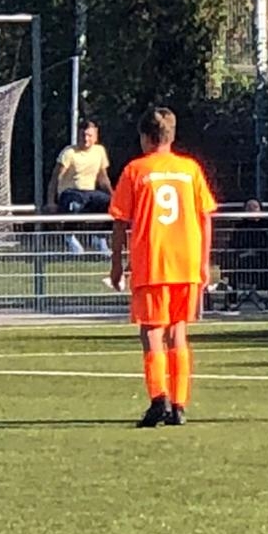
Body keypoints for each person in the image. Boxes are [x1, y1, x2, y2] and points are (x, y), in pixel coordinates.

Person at [107, 107, 217, 427]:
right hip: (186, 260)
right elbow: (205, 217)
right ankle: (179, 405)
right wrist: (204, 262)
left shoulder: (136, 170)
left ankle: (159, 399)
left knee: (152, 330)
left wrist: (117, 264)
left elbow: (119, 221)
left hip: (153, 260)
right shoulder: (190, 169)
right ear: (172, 135)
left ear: (145, 137)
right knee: (178, 331)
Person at [50, 119, 114, 254]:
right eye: (83, 135)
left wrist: (114, 196)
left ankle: (100, 238)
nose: (86, 139)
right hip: (70, 192)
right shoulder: (69, 153)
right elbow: (55, 178)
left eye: (89, 135)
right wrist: (51, 201)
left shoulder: (99, 151)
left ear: (95, 136)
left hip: (90, 192)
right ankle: (69, 236)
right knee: (75, 204)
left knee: (110, 204)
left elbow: (103, 178)